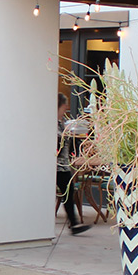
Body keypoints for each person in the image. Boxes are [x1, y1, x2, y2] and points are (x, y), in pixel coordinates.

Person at [57, 93, 88, 235]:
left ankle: (74, 224)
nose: (67, 108)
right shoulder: (52, 123)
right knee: (66, 193)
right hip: (55, 166)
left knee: (68, 193)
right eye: (65, 105)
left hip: (63, 164)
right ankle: (74, 224)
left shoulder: (62, 121)